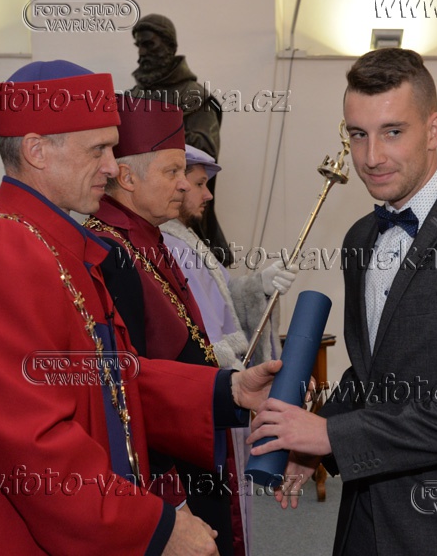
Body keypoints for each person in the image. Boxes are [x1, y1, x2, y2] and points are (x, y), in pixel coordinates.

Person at [0, 60, 281, 556]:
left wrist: (227, 390)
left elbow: (110, 381)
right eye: (99, 150)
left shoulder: (58, 246)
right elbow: (33, 444)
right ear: (36, 151)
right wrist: (155, 527)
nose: (113, 167)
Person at [246, 48, 437, 555]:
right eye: (358, 134)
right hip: (366, 518)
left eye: (393, 132)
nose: (371, 156)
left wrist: (333, 437)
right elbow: (371, 372)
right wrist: (313, 442)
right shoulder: (360, 237)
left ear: (433, 130)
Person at [85, 96, 296, 556]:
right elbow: (126, 391)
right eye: (173, 172)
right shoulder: (111, 252)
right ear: (127, 177)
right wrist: (169, 498)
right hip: (166, 464)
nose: (184, 185)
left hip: (194, 434)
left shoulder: (151, 239)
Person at [160, 145, 298, 553]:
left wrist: (259, 286)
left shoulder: (185, 239)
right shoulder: (162, 244)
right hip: (207, 394)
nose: (207, 194)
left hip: (224, 388)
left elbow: (223, 304)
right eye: (199, 183)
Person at [131, 13, 232, 267]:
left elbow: (204, 151)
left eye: (149, 44)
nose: (142, 53)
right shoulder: (133, 96)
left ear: (169, 46)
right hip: (138, 214)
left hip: (181, 212)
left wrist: (154, 137)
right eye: (139, 45)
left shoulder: (193, 96)